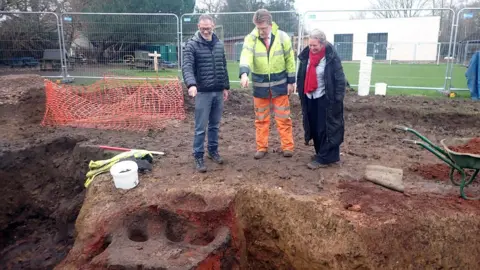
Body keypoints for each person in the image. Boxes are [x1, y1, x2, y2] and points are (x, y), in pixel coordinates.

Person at [239, 9, 296, 159]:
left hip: (280, 85)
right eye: (258, 28)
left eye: (263, 28)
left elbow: (290, 60)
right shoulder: (251, 38)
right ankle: (262, 147)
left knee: (283, 117)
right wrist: (244, 73)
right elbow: (246, 55)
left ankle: (287, 147)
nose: (261, 31)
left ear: (270, 24)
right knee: (261, 119)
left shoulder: (283, 37)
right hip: (260, 86)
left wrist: (291, 81)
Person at [182, 14, 230, 173]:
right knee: (200, 127)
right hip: (202, 92)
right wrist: (191, 84)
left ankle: (213, 151)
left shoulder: (219, 44)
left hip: (217, 90)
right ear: (198, 27)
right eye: (202, 28)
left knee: (215, 125)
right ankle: (198, 155)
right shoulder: (191, 45)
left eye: (208, 28)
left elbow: (223, 65)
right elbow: (187, 67)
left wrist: (225, 86)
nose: (205, 31)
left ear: (213, 26)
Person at [296, 29, 346, 169]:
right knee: (314, 125)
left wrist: (338, 98)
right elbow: (301, 75)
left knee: (326, 127)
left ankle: (326, 158)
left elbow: (340, 78)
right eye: (310, 45)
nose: (312, 48)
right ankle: (321, 153)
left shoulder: (331, 57)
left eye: (315, 46)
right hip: (310, 96)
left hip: (326, 97)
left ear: (322, 44)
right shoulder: (306, 56)